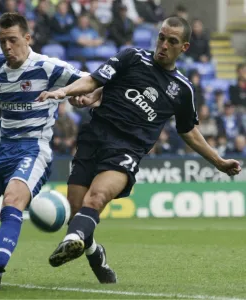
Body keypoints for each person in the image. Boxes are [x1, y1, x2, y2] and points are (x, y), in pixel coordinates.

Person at [35, 16, 242, 276]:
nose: (164, 45)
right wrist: (64, 92)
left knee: (96, 198)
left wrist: (219, 162)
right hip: (93, 138)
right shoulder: (132, 57)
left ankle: (73, 239)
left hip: (126, 150)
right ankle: (95, 254)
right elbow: (94, 80)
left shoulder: (182, 90)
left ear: (184, 47)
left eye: (172, 41)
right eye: (161, 37)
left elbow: (188, 131)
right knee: (77, 212)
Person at [0, 12, 99, 290]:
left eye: (13, 40)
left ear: (27, 38)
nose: (7, 47)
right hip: (0, 151)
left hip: (33, 151)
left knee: (12, 200)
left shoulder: (48, 67)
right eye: (2, 41)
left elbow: (94, 80)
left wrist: (87, 96)